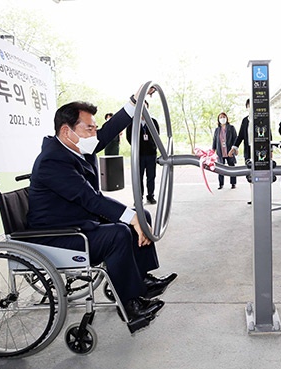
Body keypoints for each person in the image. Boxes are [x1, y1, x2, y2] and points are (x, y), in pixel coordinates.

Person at [27, 95, 177, 331]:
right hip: (58, 235)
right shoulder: (53, 161)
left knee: (142, 216)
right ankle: (130, 305)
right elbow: (89, 198)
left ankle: (142, 281)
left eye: (94, 127)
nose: (95, 134)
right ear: (67, 131)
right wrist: (129, 217)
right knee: (119, 233)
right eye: (89, 128)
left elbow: (109, 131)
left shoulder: (75, 147)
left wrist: (133, 102)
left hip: (78, 223)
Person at [126, 102, 159, 204]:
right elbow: (129, 137)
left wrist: (152, 146)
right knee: (138, 177)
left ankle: (150, 196)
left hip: (151, 154)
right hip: (138, 155)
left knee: (151, 176)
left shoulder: (153, 122)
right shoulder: (133, 122)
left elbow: (157, 136)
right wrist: (137, 147)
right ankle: (138, 198)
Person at [212, 112, 238, 189]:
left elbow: (235, 139)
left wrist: (234, 149)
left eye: (224, 117)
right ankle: (221, 184)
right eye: (220, 117)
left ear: (226, 118)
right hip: (220, 151)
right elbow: (214, 140)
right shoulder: (217, 130)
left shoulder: (231, 128)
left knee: (232, 167)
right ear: (218, 119)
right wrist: (213, 149)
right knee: (220, 168)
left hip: (229, 151)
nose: (222, 118)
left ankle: (233, 183)